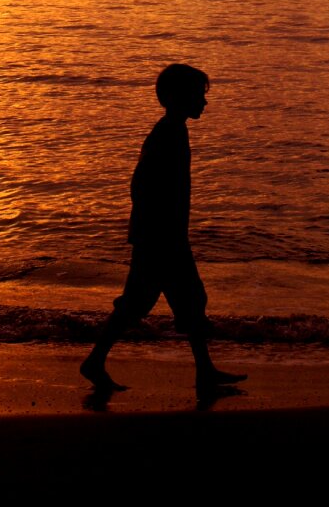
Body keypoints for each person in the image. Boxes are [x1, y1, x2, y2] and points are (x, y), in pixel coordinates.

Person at [80, 63, 246, 400]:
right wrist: (160, 232)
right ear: (179, 97)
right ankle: (96, 361)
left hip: (162, 236)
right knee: (145, 303)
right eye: (199, 95)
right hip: (161, 238)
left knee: (185, 300)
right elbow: (141, 185)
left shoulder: (174, 130)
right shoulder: (167, 134)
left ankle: (204, 371)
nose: (204, 102)